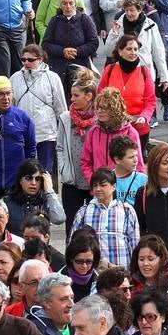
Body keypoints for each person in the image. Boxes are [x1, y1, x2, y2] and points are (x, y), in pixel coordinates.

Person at [98, 34, 157, 151]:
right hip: (113, 127)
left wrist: (144, 117)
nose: (133, 52)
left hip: (138, 128)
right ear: (120, 51)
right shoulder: (109, 70)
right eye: (129, 49)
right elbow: (100, 97)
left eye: (136, 49)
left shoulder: (145, 71)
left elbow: (150, 100)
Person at [56, 70, 97, 232]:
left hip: (94, 182)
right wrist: (64, 170)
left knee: (93, 226)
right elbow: (59, 147)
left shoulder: (100, 120)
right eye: (71, 95)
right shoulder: (66, 118)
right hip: (72, 182)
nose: (71, 99)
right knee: (72, 227)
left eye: (76, 95)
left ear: (88, 96)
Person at [41, 0, 99, 88]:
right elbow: (46, 44)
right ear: (60, 5)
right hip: (58, 66)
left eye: (70, 3)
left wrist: (77, 51)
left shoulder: (85, 19)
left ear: (75, 5)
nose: (68, 6)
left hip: (81, 66)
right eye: (64, 3)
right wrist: (62, 51)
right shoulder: (55, 21)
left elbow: (93, 42)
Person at [4, 158, 65, 235]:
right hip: (16, 246)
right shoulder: (6, 202)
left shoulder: (46, 201)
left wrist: (50, 191)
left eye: (38, 179)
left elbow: (59, 219)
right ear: (20, 180)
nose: (33, 183)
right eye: (28, 178)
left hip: (39, 246)